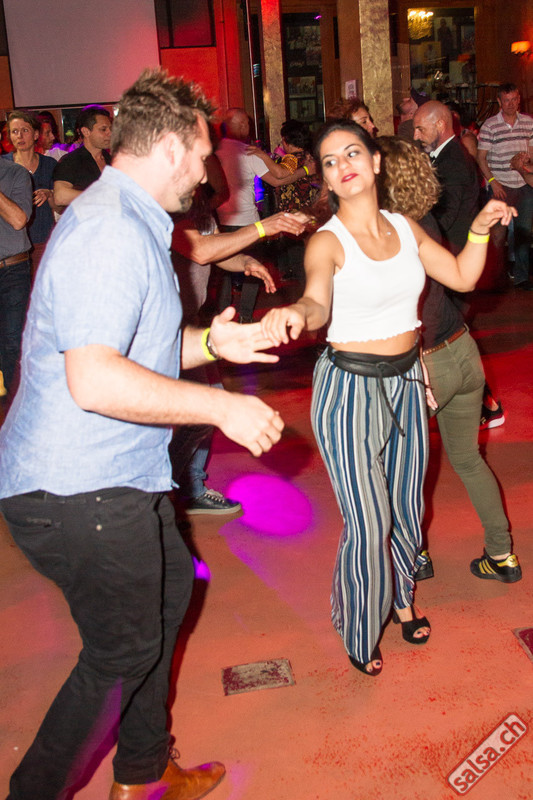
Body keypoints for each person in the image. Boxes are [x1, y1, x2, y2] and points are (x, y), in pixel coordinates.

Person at [0, 68, 285, 800]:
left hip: (117, 477)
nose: (207, 173)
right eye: (202, 155)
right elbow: (95, 380)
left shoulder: (131, 220)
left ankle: (143, 773)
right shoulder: (109, 232)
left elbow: (136, 351)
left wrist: (216, 343)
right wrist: (219, 407)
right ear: (169, 148)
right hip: (78, 489)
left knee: (168, 596)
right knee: (121, 651)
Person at [260, 119, 514, 676]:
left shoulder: (404, 226)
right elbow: (317, 303)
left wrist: (478, 229)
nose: (343, 165)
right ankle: (358, 624)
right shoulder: (328, 241)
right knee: (369, 522)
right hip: (348, 390)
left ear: (375, 162)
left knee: (406, 509)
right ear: (327, 179)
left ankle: (402, 600)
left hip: (406, 383)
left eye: (352, 153)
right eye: (330, 161)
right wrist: (296, 312)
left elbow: (461, 277)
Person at [377, 135, 521, 584]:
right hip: (463, 351)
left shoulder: (387, 234)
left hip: (425, 365)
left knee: (400, 469)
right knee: (469, 460)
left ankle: (415, 554)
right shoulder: (423, 221)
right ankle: (502, 555)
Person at [477, 83, 533, 290]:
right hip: (500, 186)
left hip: (524, 185)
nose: (511, 104)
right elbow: (481, 158)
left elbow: (532, 153)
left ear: (519, 99)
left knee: (523, 233)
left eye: (514, 99)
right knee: (498, 235)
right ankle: (496, 277)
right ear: (500, 101)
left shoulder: (528, 123)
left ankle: (521, 277)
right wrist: (493, 182)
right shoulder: (490, 125)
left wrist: (526, 163)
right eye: (506, 100)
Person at [4, 110, 58, 274]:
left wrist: (49, 193)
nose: (19, 136)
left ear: (35, 134)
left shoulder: (49, 164)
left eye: (25, 130)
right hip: (13, 246)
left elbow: (60, 207)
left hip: (44, 239)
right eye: (14, 131)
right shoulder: (4, 165)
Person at [0, 158, 32, 398]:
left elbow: (19, 220)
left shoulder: (15, 173)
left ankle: (12, 401)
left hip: (13, 270)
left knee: (13, 341)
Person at [52, 104, 112, 209]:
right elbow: (60, 196)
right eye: (103, 129)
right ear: (86, 132)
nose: (110, 133)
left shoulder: (111, 160)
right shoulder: (71, 161)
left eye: (110, 128)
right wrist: (98, 196)